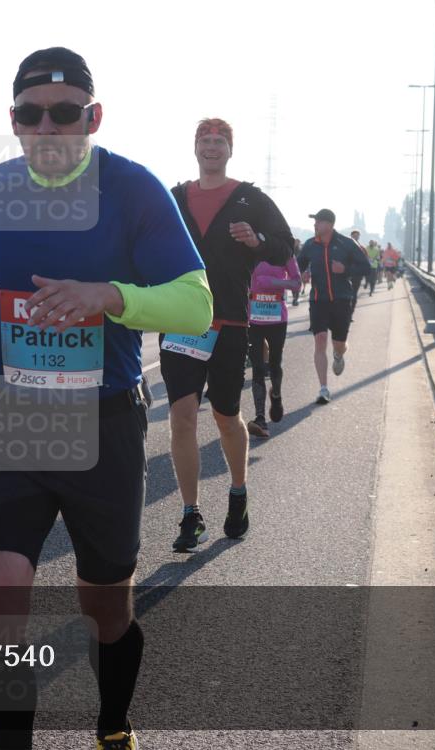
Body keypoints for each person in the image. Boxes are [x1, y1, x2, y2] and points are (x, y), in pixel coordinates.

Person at [0, 48, 212, 750]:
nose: (48, 127)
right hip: (12, 420)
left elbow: (197, 303)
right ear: (14, 122)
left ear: (94, 116)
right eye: (32, 114)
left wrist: (111, 296)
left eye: (66, 113)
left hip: (104, 421)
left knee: (105, 610)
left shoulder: (133, 190)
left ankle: (113, 725)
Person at [162, 118, 293, 552]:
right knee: (181, 415)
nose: (212, 147)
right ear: (195, 147)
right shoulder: (175, 197)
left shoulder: (248, 198)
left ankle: (238, 493)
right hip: (181, 322)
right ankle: (190, 513)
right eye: (205, 141)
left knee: (224, 416)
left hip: (231, 322)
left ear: (230, 150)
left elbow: (285, 245)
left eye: (219, 141)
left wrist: (257, 241)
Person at [297, 209, 370, 405]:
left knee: (339, 343)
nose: (315, 225)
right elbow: (298, 265)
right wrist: (302, 274)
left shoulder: (347, 244)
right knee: (320, 340)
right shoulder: (310, 245)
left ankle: (339, 354)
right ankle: (323, 389)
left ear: (328, 224)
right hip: (318, 301)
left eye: (318, 222)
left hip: (341, 300)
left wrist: (345, 269)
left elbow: (366, 267)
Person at [245, 250, 302, 437]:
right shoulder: (249, 252)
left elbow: (297, 284)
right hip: (253, 319)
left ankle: (276, 396)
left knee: (275, 364)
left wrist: (272, 283)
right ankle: (260, 418)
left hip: (277, 319)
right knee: (258, 368)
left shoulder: (284, 253)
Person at [347, 230, 369, 317]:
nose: (355, 237)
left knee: (354, 293)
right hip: (346, 274)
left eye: (357, 236)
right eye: (354, 236)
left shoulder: (362, 248)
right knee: (345, 294)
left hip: (357, 274)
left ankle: (350, 313)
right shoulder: (344, 246)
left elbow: (366, 261)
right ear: (351, 236)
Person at [291, 237, 303, 306]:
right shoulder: (291, 249)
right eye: (295, 242)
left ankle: (296, 299)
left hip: (299, 269)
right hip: (292, 269)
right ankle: (294, 297)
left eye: (298, 242)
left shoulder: (300, 250)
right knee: (293, 284)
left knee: (298, 284)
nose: (296, 243)